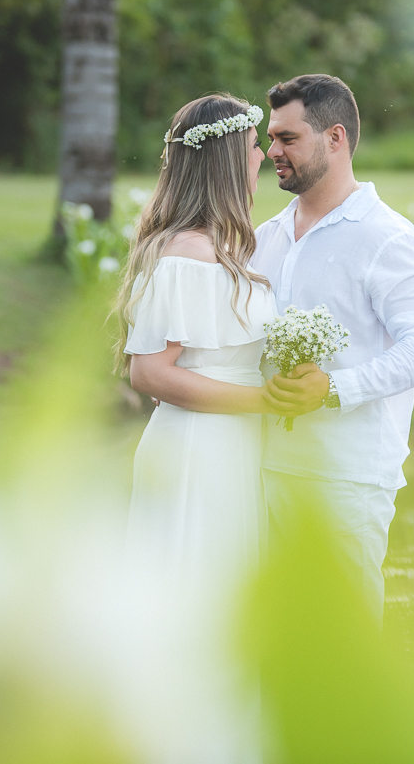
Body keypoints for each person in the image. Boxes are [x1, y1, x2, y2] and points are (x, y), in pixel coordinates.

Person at [251, 74, 414, 624]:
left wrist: (334, 389)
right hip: (260, 471)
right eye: (272, 139)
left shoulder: (386, 236)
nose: (273, 152)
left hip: (347, 478)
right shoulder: (267, 236)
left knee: (344, 643)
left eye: (288, 139)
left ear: (334, 138)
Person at [115, 93, 275, 764]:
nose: (264, 157)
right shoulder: (186, 251)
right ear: (225, 160)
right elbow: (149, 373)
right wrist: (264, 403)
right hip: (197, 450)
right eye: (253, 147)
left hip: (231, 450)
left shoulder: (228, 247)